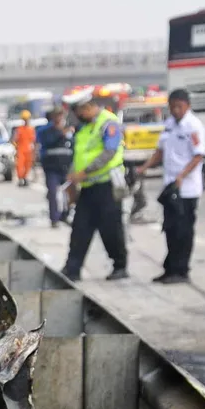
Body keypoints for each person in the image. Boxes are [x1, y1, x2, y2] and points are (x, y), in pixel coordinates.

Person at [60, 87, 128, 282]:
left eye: (79, 111)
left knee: (110, 229)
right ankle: (72, 269)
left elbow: (109, 152)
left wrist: (84, 172)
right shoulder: (85, 128)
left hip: (107, 185)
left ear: (88, 107)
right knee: (80, 228)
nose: (77, 116)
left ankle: (120, 266)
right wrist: (72, 178)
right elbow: (80, 155)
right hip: (88, 187)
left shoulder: (109, 123)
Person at [137, 89, 205, 284]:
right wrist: (145, 167)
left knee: (183, 231)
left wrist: (182, 175)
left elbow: (198, 155)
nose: (176, 110)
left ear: (187, 106)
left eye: (179, 106)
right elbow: (160, 151)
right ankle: (170, 268)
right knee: (170, 228)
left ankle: (181, 270)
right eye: (173, 106)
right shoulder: (169, 125)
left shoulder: (193, 126)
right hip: (170, 186)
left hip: (187, 189)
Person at [37, 106, 74, 227]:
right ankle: (54, 219)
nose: (59, 117)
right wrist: (60, 134)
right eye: (56, 115)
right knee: (53, 192)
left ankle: (65, 215)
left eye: (61, 115)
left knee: (69, 193)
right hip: (51, 168)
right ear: (52, 117)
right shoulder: (45, 131)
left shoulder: (69, 129)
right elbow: (47, 142)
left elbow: (74, 146)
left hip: (67, 167)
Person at [13, 110, 36, 186]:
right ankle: (20, 179)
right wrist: (15, 148)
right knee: (20, 165)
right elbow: (15, 139)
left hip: (29, 151)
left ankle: (25, 177)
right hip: (21, 150)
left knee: (28, 165)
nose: (26, 121)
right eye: (25, 119)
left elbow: (34, 140)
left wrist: (35, 150)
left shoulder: (31, 129)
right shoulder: (19, 129)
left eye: (27, 119)